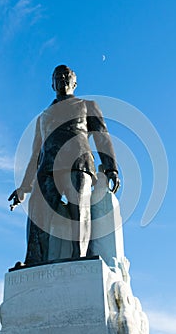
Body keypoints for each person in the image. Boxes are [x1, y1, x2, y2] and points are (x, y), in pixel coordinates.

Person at [8, 65, 120, 265]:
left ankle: (80, 257)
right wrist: (24, 187)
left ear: (75, 82)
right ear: (52, 84)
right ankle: (33, 260)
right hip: (47, 168)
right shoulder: (43, 116)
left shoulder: (87, 105)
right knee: (37, 210)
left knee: (80, 209)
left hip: (78, 163)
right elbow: (36, 153)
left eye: (67, 76)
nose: (63, 79)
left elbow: (102, 137)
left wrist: (111, 168)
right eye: (58, 77)